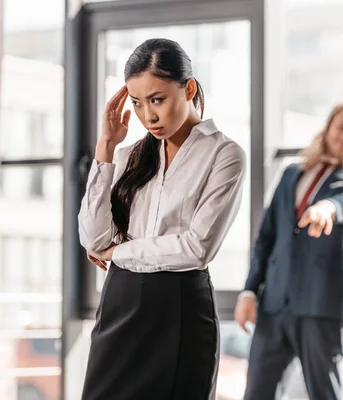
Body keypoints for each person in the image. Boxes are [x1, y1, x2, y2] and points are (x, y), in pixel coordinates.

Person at [77, 38, 246, 400]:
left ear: (189, 88)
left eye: (157, 99)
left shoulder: (224, 154)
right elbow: (93, 239)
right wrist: (105, 150)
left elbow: (196, 249)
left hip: (180, 308)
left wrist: (119, 253)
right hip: (121, 302)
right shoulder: (127, 156)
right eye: (137, 103)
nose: (148, 116)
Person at [235, 97, 343, 400]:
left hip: (319, 305)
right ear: (328, 127)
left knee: (324, 393)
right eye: (342, 127)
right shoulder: (291, 174)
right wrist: (250, 291)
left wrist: (328, 207)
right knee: (256, 393)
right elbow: (267, 237)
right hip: (273, 304)